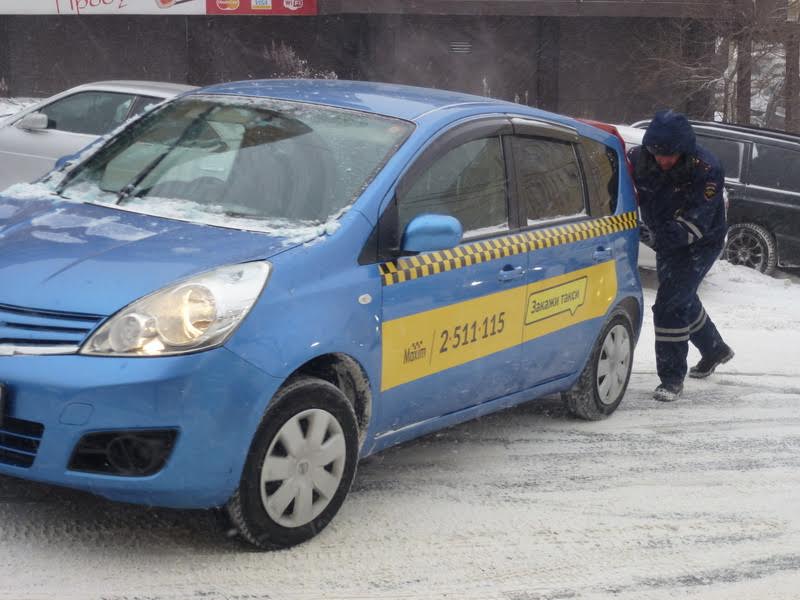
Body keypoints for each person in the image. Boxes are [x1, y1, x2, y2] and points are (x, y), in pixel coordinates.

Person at [629, 110, 734, 402]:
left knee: (669, 306)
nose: (662, 160)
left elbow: (697, 222)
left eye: (669, 155)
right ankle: (714, 349)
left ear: (684, 150)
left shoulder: (707, 169)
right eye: (656, 153)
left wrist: (654, 236)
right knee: (681, 297)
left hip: (700, 242)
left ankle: (671, 378)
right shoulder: (640, 158)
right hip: (664, 236)